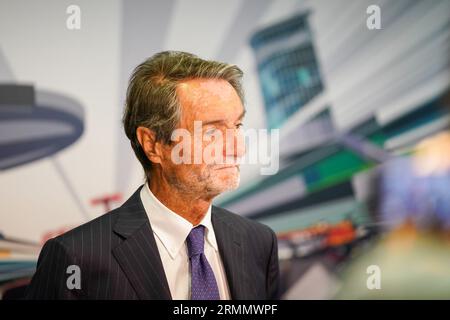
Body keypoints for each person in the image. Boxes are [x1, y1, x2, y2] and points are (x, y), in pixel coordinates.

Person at [25, 51, 280, 300]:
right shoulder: (76, 258)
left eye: (237, 126)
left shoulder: (259, 242)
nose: (237, 148)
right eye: (212, 132)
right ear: (153, 145)